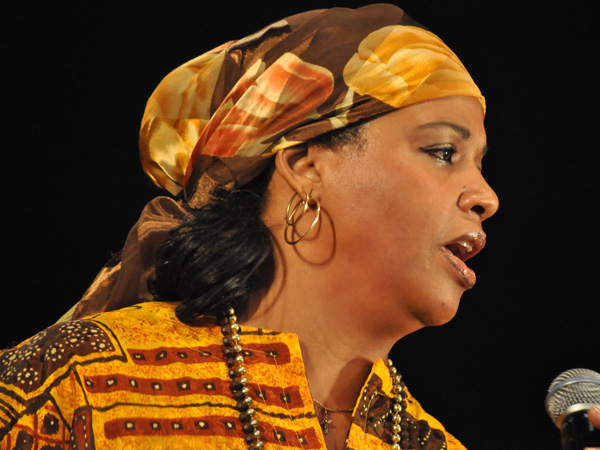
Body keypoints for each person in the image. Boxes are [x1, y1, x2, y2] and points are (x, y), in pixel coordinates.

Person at [0, 4, 499, 450]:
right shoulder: (73, 386)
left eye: (479, 164)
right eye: (442, 153)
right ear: (306, 164)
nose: (486, 198)